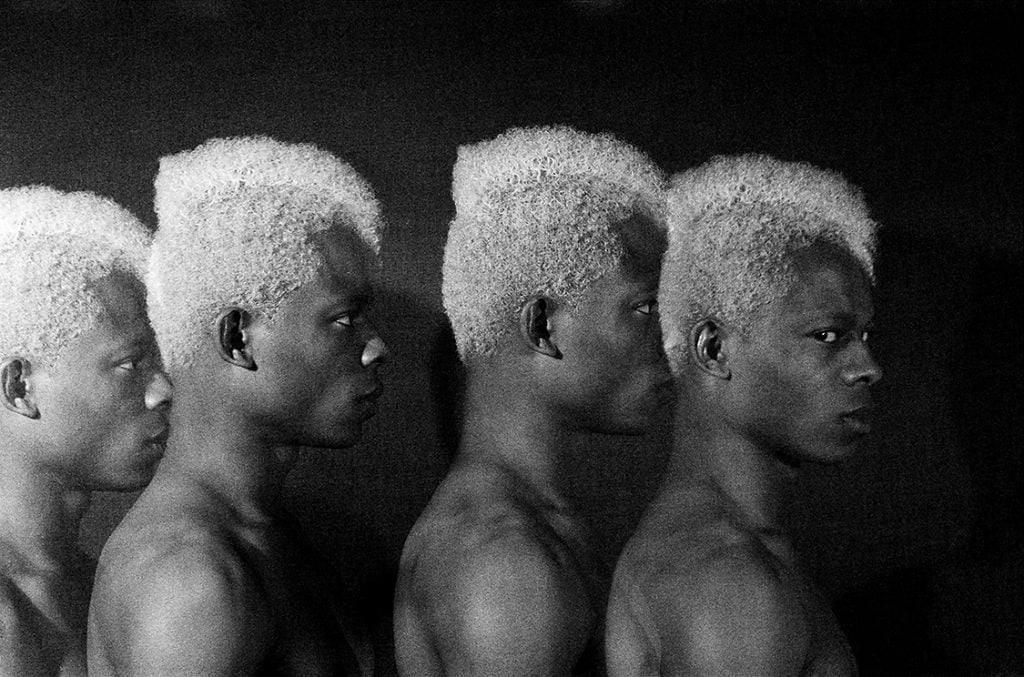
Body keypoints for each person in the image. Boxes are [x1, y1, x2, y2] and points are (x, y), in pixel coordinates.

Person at [87, 136, 388, 676]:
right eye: (345, 320)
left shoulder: (263, 531)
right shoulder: (187, 581)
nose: (376, 347)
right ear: (238, 339)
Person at [394, 125, 672, 676]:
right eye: (645, 308)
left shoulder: (526, 532)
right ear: (543, 325)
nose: (669, 339)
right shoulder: (505, 563)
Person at [605, 153, 882, 676]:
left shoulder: (724, 552)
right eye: (828, 335)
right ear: (713, 348)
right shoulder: (728, 582)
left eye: (865, 337)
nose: (868, 367)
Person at [0, 186, 170, 677]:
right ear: (20, 388)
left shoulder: (88, 580)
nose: (162, 389)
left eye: (158, 360)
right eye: (130, 363)